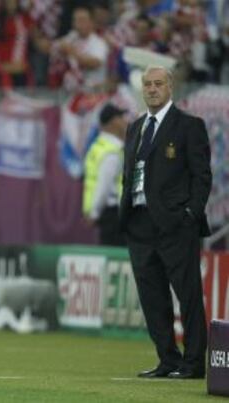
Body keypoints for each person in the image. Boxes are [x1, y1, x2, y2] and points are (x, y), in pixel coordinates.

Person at [119, 66, 212, 379]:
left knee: (187, 295)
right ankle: (168, 359)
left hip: (175, 225)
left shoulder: (189, 126)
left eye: (158, 83)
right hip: (139, 224)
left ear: (171, 87)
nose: (152, 89)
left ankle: (195, 362)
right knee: (152, 298)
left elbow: (202, 176)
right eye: (147, 84)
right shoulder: (134, 128)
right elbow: (129, 174)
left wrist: (190, 214)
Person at [82, 103, 127, 246]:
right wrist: (94, 213)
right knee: (115, 255)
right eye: (121, 118)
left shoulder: (98, 146)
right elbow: (104, 186)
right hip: (112, 213)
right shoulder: (112, 150)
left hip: (106, 212)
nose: (125, 121)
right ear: (113, 122)